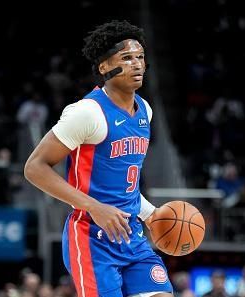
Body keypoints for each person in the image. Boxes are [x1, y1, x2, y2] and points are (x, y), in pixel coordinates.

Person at [24, 20, 173, 297]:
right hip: (92, 238)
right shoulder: (87, 113)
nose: (137, 64)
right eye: (126, 58)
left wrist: (150, 214)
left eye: (140, 57)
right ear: (104, 67)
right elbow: (34, 168)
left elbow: (124, 185)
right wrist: (94, 207)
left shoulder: (145, 111)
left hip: (131, 235)